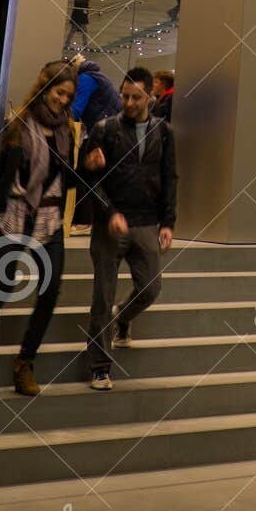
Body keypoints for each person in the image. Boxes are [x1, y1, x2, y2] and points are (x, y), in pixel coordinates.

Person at [0, 60, 124, 396]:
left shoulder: (63, 132)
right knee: (0, 283)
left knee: (50, 291)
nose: (62, 100)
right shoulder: (18, 126)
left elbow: (65, 180)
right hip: (15, 212)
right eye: (59, 93)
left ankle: (24, 363)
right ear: (45, 88)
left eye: (69, 96)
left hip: (49, 218)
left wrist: (86, 168)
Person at [82, 65, 177, 391]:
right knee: (102, 294)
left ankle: (123, 318)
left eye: (136, 97)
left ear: (150, 97)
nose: (129, 102)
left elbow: (169, 177)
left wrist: (168, 221)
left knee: (150, 287)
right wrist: (108, 212)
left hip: (146, 222)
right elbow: (90, 179)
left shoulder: (163, 132)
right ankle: (99, 365)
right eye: (124, 96)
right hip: (110, 224)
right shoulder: (104, 129)